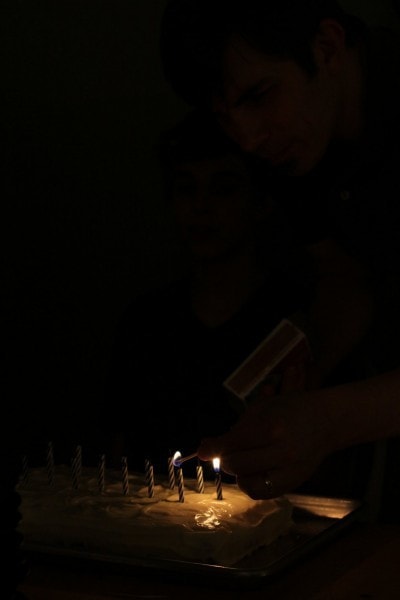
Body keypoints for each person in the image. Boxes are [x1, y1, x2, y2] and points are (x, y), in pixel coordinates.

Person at [160, 0, 400, 516]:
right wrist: (296, 374)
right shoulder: (296, 145)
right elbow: (344, 276)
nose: (247, 138)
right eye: (226, 117)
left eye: (261, 96)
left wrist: (330, 419)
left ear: (327, 46)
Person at [104, 108, 314, 477]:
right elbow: (117, 455)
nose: (201, 206)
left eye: (223, 188)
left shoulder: (293, 323)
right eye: (187, 188)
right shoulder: (146, 323)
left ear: (260, 200)